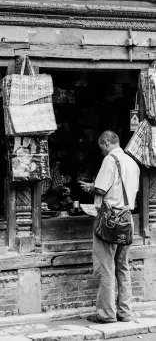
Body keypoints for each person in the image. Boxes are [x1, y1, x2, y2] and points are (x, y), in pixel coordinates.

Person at [79, 130, 140, 324]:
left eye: (101, 148)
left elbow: (101, 189)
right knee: (123, 267)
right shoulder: (133, 162)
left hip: (110, 220)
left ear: (106, 143)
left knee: (106, 267)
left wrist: (89, 187)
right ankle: (125, 312)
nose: (102, 152)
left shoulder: (110, 160)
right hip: (127, 218)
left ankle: (106, 313)